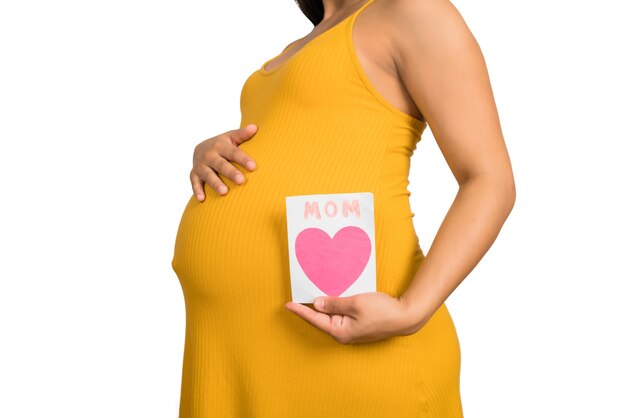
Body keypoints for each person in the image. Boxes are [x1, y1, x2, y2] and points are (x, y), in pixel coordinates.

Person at [171, 0, 516, 416]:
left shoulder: (412, 10)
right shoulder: (302, 45)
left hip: (353, 354)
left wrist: (411, 311)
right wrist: (209, 155)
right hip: (238, 354)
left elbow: (489, 180)